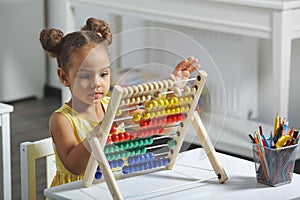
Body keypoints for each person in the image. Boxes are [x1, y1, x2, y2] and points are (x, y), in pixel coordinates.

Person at [39, 17, 200, 187]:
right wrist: (110, 122)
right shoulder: (62, 120)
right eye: (85, 76)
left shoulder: (114, 105)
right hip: (75, 191)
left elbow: (160, 129)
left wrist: (173, 90)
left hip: (115, 186)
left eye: (103, 74)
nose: (97, 83)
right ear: (64, 77)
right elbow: (75, 166)